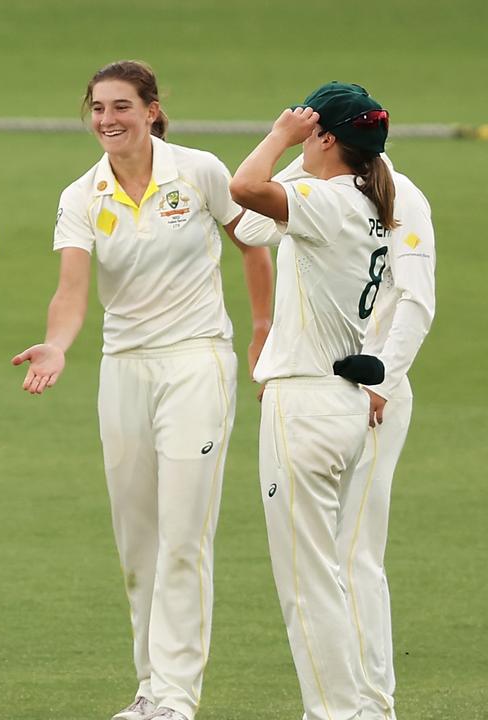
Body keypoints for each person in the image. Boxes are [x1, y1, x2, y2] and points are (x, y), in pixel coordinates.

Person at [12, 60, 273, 720]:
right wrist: (57, 344)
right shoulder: (82, 195)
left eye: (122, 106)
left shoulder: (200, 171)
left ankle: (177, 698)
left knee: (185, 536)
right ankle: (150, 690)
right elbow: (72, 293)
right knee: (138, 542)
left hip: (196, 362)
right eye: (98, 108)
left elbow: (252, 244)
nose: (108, 120)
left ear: (153, 110)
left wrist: (263, 325)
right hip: (123, 368)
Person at [233, 144, 435, 718]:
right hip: (336, 390)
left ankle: (370, 704)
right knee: (339, 558)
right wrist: (303, 157)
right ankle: (362, 704)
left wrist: (384, 381)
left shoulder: (403, 199)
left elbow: (418, 301)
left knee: (354, 556)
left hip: (371, 391)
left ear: (330, 136)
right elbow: (248, 223)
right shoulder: (325, 192)